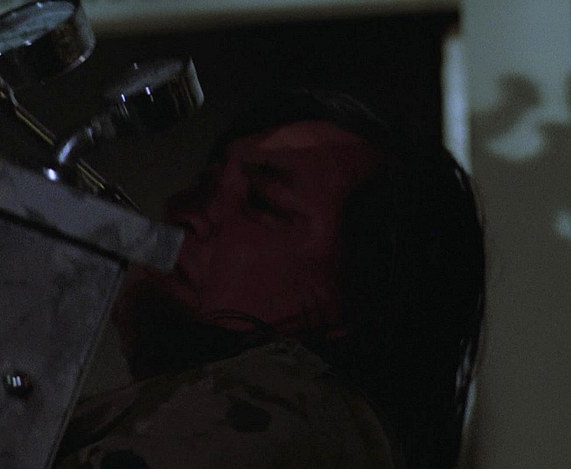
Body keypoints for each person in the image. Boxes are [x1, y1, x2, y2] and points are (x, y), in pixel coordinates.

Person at [54, 90, 485, 469]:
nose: (187, 211)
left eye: (262, 203)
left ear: (361, 296)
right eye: (206, 183)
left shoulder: (291, 413)